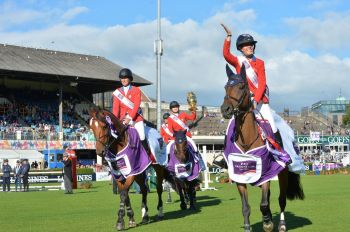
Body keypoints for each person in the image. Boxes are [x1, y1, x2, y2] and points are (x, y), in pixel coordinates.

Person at [221, 23, 283, 148]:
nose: (250, 46)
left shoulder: (260, 63)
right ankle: (225, 153)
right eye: (246, 45)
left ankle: (281, 152)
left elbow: (262, 83)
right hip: (243, 100)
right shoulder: (238, 61)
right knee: (230, 126)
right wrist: (228, 37)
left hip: (259, 101)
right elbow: (226, 55)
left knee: (272, 124)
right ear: (241, 48)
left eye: (251, 44)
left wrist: (256, 100)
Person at [112, 68, 151, 155]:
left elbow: (136, 106)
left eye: (125, 78)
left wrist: (129, 118)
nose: (123, 80)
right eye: (122, 78)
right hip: (122, 119)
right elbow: (116, 109)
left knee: (141, 135)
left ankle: (146, 155)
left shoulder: (136, 90)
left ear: (130, 79)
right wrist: (114, 120)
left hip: (136, 118)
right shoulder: (117, 92)